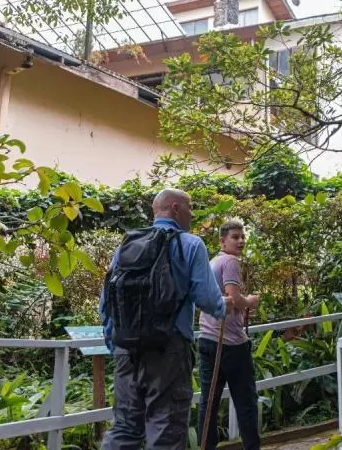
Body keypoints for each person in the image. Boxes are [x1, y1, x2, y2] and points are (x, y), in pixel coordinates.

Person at [100, 188, 233, 450]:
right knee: (166, 427)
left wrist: (115, 343)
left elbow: (106, 302)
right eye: (189, 208)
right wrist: (223, 306)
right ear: (175, 208)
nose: (192, 214)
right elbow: (207, 297)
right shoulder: (191, 244)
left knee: (125, 427)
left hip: (126, 349)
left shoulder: (127, 245)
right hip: (168, 349)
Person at [197, 218, 261, 450]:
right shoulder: (231, 262)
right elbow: (234, 299)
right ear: (223, 240)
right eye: (235, 237)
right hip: (231, 343)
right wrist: (251, 301)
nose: (241, 241)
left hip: (207, 339)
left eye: (243, 236)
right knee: (245, 403)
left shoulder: (212, 262)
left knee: (209, 402)